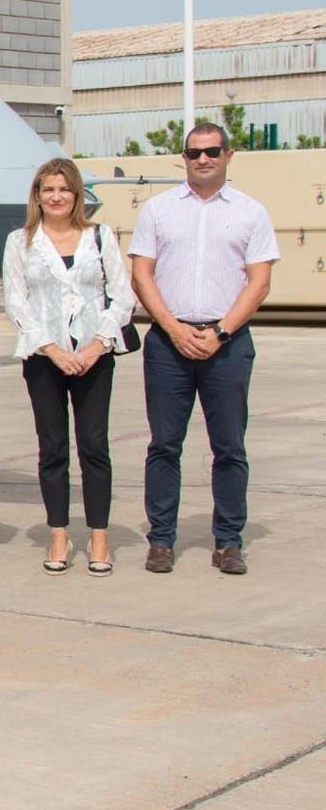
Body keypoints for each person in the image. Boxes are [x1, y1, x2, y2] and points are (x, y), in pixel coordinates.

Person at [127, 124, 278, 575]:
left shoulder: (252, 213)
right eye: (194, 153)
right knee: (164, 446)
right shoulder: (158, 210)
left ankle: (228, 541)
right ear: (184, 158)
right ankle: (161, 540)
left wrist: (222, 332)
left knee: (229, 446)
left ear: (228, 155)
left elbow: (260, 282)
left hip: (227, 345)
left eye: (212, 151)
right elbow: (142, 275)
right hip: (168, 345)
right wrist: (172, 328)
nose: (203, 159)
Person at [3, 159, 136, 576]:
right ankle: (58, 531)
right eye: (48, 190)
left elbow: (122, 296)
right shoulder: (20, 241)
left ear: (77, 195)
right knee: (53, 448)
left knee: (94, 446)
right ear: (37, 196)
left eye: (64, 189)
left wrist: (98, 345)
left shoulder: (100, 237)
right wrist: (53, 349)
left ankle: (99, 535)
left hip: (94, 356)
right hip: (46, 359)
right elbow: (17, 302)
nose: (56, 197)